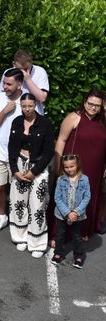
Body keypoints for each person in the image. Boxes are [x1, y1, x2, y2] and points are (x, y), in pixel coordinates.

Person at [51, 88, 106, 240]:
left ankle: (83, 230)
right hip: (73, 167)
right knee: (68, 197)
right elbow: (61, 140)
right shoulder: (74, 117)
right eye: (90, 103)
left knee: (87, 197)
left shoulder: (103, 120)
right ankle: (59, 234)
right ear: (84, 101)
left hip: (95, 168)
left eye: (97, 105)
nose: (93, 107)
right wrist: (58, 165)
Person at [7, 93, 54, 258]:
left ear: (36, 106)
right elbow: (11, 148)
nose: (27, 109)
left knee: (37, 204)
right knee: (18, 202)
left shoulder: (45, 123)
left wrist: (34, 172)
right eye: (24, 106)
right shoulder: (16, 122)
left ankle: (38, 242)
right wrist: (15, 170)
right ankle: (20, 237)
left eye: (30, 106)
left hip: (38, 167)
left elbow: (49, 152)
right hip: (19, 164)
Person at [0, 68, 24, 233]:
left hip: (19, 155)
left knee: (19, 190)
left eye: (9, 84)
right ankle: (2, 216)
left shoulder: (28, 101)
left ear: (20, 84)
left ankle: (19, 220)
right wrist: (5, 111)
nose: (5, 87)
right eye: (4, 83)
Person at [51, 155, 91, 269]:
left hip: (77, 216)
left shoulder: (84, 179)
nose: (69, 169)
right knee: (60, 235)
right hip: (62, 214)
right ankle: (58, 253)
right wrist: (68, 213)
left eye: (72, 166)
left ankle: (79, 255)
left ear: (77, 165)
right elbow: (57, 198)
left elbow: (87, 197)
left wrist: (76, 212)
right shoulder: (61, 179)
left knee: (76, 236)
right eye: (66, 167)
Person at [3, 49, 49, 114]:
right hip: (12, 114)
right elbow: (3, 95)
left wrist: (28, 79)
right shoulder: (8, 73)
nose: (24, 72)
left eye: (26, 68)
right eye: (21, 69)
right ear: (14, 64)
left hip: (34, 116)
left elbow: (42, 98)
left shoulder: (40, 72)